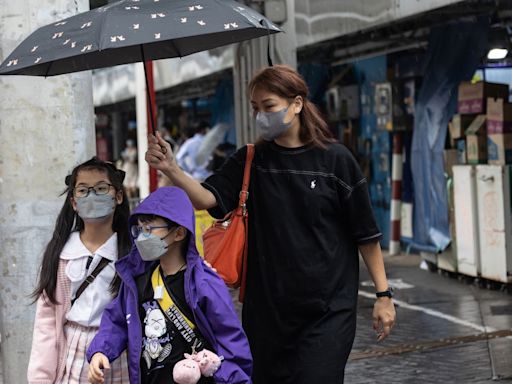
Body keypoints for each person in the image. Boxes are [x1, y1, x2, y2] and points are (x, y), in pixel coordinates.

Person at [145, 65, 396, 384]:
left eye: (269, 106)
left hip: (327, 312)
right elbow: (206, 199)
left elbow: (366, 235)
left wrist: (383, 294)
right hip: (266, 315)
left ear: (297, 104)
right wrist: (172, 168)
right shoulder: (251, 160)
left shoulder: (335, 161)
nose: (261, 116)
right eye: (255, 108)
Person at [86, 186, 252, 384]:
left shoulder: (204, 283)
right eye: (138, 230)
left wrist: (231, 379)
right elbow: (117, 320)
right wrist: (101, 351)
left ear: (179, 233)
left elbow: (231, 341)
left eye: (149, 230)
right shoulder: (137, 280)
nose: (141, 237)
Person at [28, 157, 131, 383]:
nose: (92, 196)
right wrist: (40, 378)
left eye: (101, 188)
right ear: (73, 201)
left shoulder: (132, 254)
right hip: (73, 350)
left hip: (120, 352)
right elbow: (46, 325)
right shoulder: (61, 254)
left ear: (118, 197)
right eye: (83, 190)